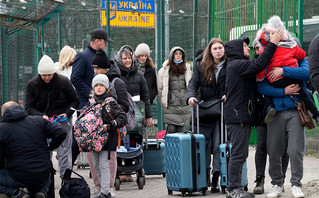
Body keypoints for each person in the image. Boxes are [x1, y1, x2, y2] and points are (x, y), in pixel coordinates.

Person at [223, 28, 283, 198]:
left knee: (241, 153)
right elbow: (258, 65)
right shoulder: (237, 65)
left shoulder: (237, 65)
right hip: (238, 116)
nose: (248, 48)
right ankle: (233, 189)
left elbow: (256, 63)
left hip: (240, 116)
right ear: (236, 50)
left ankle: (235, 188)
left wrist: (262, 51)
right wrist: (272, 43)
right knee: (238, 154)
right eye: (244, 46)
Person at [255, 15, 319, 125]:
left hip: (294, 108)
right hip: (278, 111)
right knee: (303, 92)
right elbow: (261, 87)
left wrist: (283, 70)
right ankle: (316, 114)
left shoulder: (267, 52)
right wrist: (284, 91)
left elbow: (307, 73)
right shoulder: (290, 48)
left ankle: (269, 107)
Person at [24, 54, 79, 180]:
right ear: (40, 74)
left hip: (62, 121)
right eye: (44, 75)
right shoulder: (32, 85)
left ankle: (66, 180)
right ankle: (46, 180)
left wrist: (67, 113)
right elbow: (28, 107)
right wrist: (41, 116)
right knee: (43, 151)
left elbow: (75, 101)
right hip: (41, 123)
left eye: (49, 74)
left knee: (64, 151)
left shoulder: (64, 82)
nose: (47, 77)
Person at [0, 101, 67, 198]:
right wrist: (51, 147)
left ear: (3, 114)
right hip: (42, 175)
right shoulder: (39, 121)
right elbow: (61, 132)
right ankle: (42, 190)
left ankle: (17, 193)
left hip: (18, 176)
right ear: (20, 108)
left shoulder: (2, 128)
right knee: (46, 171)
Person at [187, 38, 228, 193]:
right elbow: (193, 84)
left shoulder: (229, 65)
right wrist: (190, 97)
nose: (218, 51)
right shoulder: (201, 65)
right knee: (203, 145)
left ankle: (216, 177)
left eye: (220, 48)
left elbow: (233, 84)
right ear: (210, 51)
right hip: (205, 110)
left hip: (222, 110)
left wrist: (227, 95)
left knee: (219, 144)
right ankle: (203, 178)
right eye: (215, 48)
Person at [88, 49, 130, 197]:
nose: (95, 71)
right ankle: (99, 187)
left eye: (97, 68)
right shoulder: (93, 96)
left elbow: (123, 111)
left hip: (108, 134)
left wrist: (109, 121)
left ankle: (107, 189)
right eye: (94, 68)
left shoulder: (113, 91)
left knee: (106, 162)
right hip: (94, 136)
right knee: (95, 163)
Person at [252, 40, 289, 195]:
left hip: (280, 110)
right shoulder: (254, 64)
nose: (258, 50)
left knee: (283, 148)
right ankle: (259, 179)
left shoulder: (279, 60)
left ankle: (280, 180)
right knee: (261, 146)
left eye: (261, 47)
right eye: (256, 48)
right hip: (262, 111)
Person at [70, 28, 113, 165]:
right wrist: (90, 93)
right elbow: (75, 78)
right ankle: (68, 165)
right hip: (86, 103)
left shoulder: (102, 56)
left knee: (98, 134)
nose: (106, 45)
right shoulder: (83, 56)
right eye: (104, 42)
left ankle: (95, 169)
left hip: (100, 103)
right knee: (82, 135)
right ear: (96, 41)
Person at [114, 45, 154, 182]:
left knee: (135, 142)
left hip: (137, 116)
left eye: (129, 58)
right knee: (121, 143)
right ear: (120, 59)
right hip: (121, 115)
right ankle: (121, 171)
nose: (127, 61)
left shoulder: (139, 76)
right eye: (124, 58)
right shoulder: (116, 75)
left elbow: (146, 97)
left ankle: (136, 168)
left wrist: (148, 116)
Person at [157, 46, 192, 133]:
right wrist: (164, 103)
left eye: (180, 54)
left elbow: (191, 86)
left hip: (185, 105)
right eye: (176, 54)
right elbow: (160, 89)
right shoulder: (164, 71)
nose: (178, 56)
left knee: (182, 131)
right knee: (171, 130)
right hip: (171, 105)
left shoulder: (187, 70)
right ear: (172, 56)